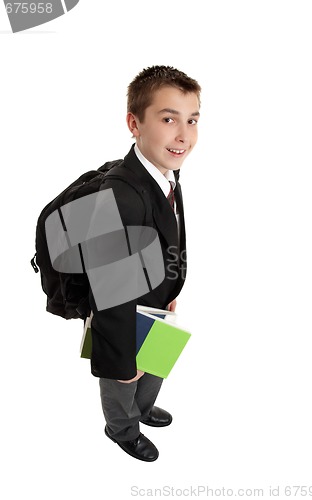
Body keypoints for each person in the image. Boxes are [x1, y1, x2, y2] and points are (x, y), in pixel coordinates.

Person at [89, 65, 201, 462]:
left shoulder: (165, 171)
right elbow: (109, 296)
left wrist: (170, 289)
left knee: (156, 365)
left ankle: (142, 405)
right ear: (134, 123)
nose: (184, 135)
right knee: (125, 378)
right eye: (168, 118)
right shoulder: (121, 195)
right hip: (123, 317)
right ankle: (121, 427)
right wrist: (119, 361)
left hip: (157, 295)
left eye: (192, 119)